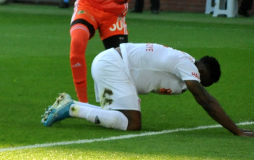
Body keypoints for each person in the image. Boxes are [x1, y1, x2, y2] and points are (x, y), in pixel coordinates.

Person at [42, 44, 253, 135]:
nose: (200, 86)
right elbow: (206, 101)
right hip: (114, 65)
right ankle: (71, 108)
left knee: (115, 117)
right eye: (204, 82)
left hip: (109, 63)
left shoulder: (185, 62)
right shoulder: (188, 66)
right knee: (133, 123)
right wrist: (237, 131)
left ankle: (70, 105)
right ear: (202, 72)